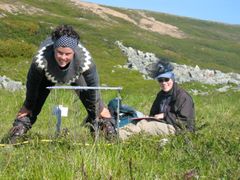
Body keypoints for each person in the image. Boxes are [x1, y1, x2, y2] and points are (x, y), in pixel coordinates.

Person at [5, 24, 113, 143]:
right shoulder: (40, 60)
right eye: (59, 53)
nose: (63, 57)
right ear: (54, 49)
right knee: (31, 108)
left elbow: (93, 86)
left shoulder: (85, 61)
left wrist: (98, 108)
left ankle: (106, 135)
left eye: (68, 54)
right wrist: (28, 105)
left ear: (74, 52)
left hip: (75, 74)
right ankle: (14, 138)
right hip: (46, 75)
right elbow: (32, 85)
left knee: (97, 108)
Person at [119, 71, 195, 140]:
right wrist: (150, 117)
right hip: (163, 123)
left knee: (143, 126)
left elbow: (185, 120)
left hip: (178, 129)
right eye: (160, 80)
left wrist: (165, 116)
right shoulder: (161, 94)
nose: (164, 83)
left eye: (166, 79)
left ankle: (117, 138)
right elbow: (154, 113)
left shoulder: (182, 96)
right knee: (138, 121)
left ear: (172, 80)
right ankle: (117, 132)